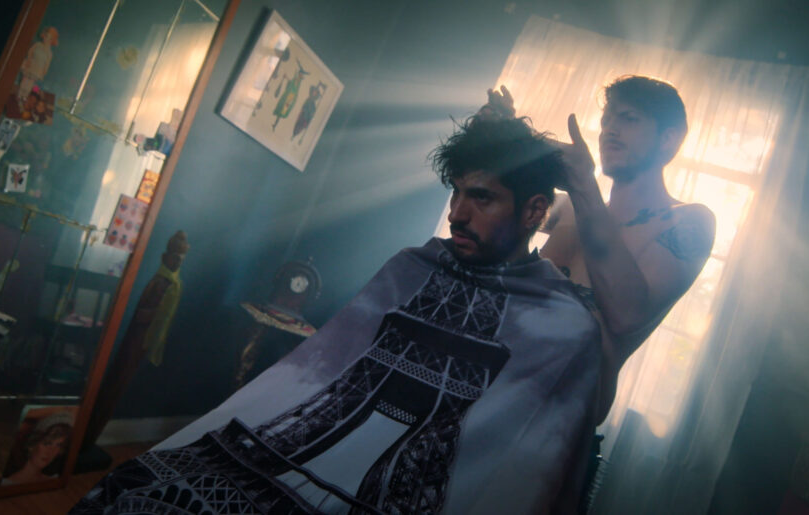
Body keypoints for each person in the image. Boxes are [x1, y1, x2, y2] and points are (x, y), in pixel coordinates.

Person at [72, 116, 602, 514]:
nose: (457, 214)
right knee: (138, 487)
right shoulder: (411, 267)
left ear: (534, 211)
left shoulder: (563, 323)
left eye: (481, 198)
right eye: (456, 193)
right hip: (290, 458)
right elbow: (321, 368)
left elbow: (528, 470)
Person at [483, 76, 716, 422]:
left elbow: (626, 317)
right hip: (488, 386)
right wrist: (496, 138)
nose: (609, 130)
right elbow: (486, 221)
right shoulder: (568, 210)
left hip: (558, 418)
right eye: (607, 120)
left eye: (628, 118)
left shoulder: (688, 222)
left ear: (668, 139)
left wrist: (582, 184)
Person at [1, 411, 73, 485]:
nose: (51, 451)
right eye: (47, 443)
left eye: (58, 445)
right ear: (32, 444)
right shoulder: (5, 484)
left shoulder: (55, 480)